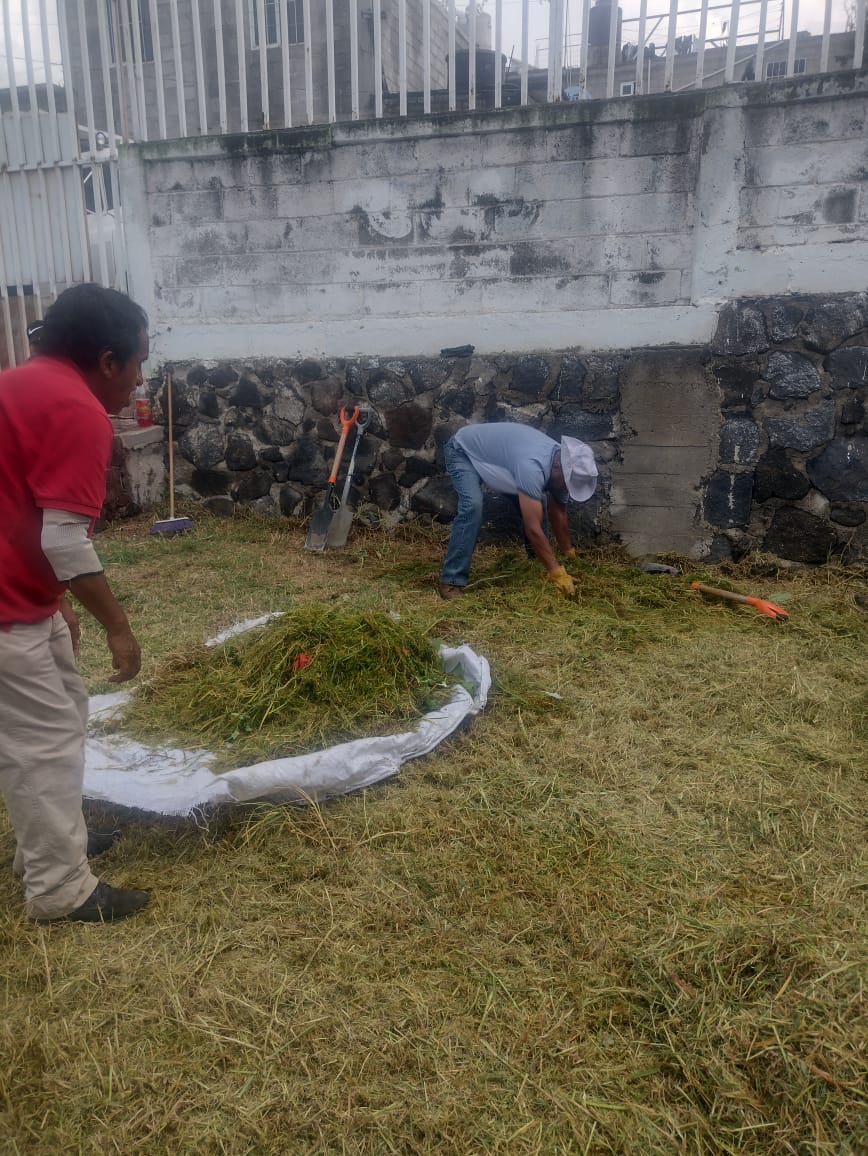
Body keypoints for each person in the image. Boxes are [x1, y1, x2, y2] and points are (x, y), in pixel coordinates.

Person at [0, 284, 151, 924]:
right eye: (139, 362)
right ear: (108, 360)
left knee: (64, 710)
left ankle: (52, 847)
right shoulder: (78, 409)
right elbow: (61, 536)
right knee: (43, 742)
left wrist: (52, 599)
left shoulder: (16, 385)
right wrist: (118, 627)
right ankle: (61, 891)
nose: (142, 379)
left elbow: (17, 501)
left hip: (21, 594)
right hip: (5, 609)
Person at [439, 422, 598, 600]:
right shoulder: (532, 466)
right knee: (472, 507)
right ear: (556, 468)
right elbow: (533, 528)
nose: (566, 488)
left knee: (539, 500)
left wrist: (568, 553)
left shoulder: (561, 464)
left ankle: (537, 565)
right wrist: (557, 572)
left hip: (502, 465)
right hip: (463, 451)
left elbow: (559, 511)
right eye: (566, 484)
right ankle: (451, 580)